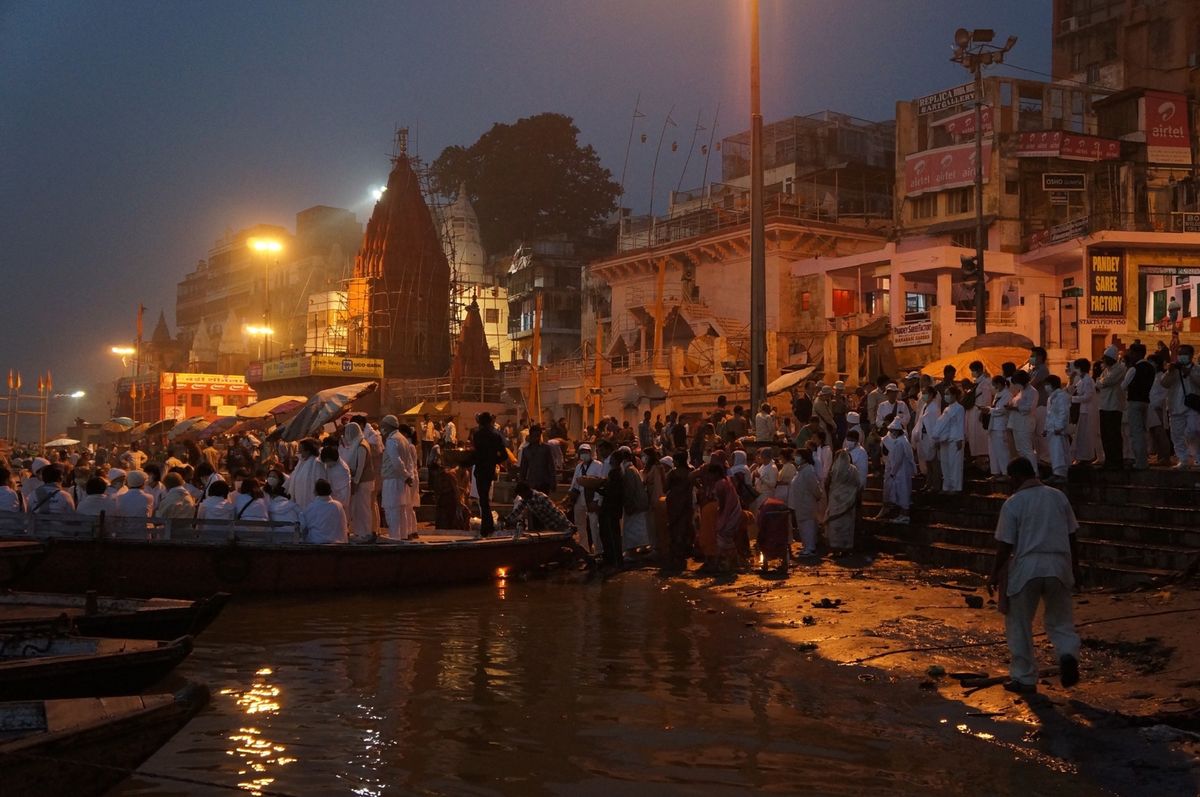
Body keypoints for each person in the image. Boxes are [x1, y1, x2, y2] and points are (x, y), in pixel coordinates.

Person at [989, 456, 1082, 695]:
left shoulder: (1013, 503)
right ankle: (1068, 653)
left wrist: (994, 574)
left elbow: (1005, 545)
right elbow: (1072, 535)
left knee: (1019, 623)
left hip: (1027, 566)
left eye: (1011, 479)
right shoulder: (1058, 497)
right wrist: (1075, 567)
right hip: (1059, 564)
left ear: (1017, 477)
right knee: (1061, 620)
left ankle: (1024, 677)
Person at [1160, 344, 1200, 469]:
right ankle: (1183, 459)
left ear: (1191, 355)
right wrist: (1170, 371)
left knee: (1193, 431)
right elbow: (1164, 383)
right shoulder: (1173, 370)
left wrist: (1189, 373)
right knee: (1176, 435)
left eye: (1185, 354)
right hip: (1175, 407)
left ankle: (1198, 457)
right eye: (1180, 353)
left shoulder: (1196, 369)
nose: (1182, 356)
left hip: (1192, 407)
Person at [470, 412, 508, 537]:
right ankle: (488, 525)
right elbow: (504, 455)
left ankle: (487, 527)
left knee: (483, 499)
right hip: (489, 470)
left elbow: (475, 454)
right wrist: (493, 461)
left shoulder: (477, 434)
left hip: (480, 469)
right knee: (484, 499)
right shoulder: (496, 435)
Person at [339, 421, 377, 540]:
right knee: (358, 508)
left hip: (363, 482)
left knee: (363, 508)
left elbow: (360, 467)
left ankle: (365, 533)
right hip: (360, 481)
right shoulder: (357, 444)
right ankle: (359, 532)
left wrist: (355, 482)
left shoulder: (361, 445)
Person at [1124, 343, 1155, 471]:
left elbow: (1123, 386)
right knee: (1142, 431)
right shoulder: (1151, 367)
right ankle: (1143, 460)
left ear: (1137, 354)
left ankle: (1140, 462)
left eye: (1131, 353)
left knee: (1136, 433)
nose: (1130, 355)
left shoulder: (1134, 369)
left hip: (1134, 401)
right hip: (1145, 401)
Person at [1096, 345, 1127, 469]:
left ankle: (1116, 460)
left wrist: (1100, 381)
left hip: (1114, 406)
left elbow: (1105, 382)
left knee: (1114, 434)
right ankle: (1108, 460)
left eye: (1105, 358)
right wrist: (1100, 381)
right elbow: (1099, 381)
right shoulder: (1106, 370)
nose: (1103, 360)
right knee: (1105, 435)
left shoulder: (1119, 369)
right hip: (1103, 405)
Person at [824, 449, 860, 556]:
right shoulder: (854, 470)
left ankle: (835, 549)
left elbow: (827, 484)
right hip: (849, 501)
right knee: (847, 526)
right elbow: (858, 483)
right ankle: (846, 548)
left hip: (835, 501)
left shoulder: (834, 470)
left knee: (835, 525)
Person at [787, 448, 822, 557]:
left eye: (797, 456)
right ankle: (806, 546)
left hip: (807, 503)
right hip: (800, 503)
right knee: (802, 526)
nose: (795, 458)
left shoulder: (808, 470)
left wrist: (818, 496)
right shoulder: (800, 470)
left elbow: (815, 488)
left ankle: (810, 548)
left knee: (808, 526)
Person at [663, 453, 695, 572]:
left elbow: (665, 488)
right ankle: (684, 552)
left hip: (674, 503)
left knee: (674, 528)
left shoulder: (673, 473)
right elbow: (697, 484)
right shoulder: (691, 471)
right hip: (687, 503)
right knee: (685, 526)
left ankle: (676, 556)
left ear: (677, 461)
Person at [879, 418, 915, 523]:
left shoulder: (900, 442)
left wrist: (892, 472)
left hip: (900, 471)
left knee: (903, 492)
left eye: (892, 431)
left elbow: (898, 460)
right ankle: (903, 514)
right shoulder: (903, 440)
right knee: (903, 491)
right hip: (902, 471)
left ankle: (905, 515)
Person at [933, 385, 966, 494]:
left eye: (948, 394)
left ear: (954, 395)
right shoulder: (946, 409)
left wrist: (960, 439)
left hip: (955, 439)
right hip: (944, 439)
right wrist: (938, 439)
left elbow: (961, 424)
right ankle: (946, 486)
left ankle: (956, 487)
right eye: (945, 394)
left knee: (955, 464)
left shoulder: (959, 408)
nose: (945, 396)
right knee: (945, 463)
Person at [505, 482, 573, 532]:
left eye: (521, 494)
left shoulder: (541, 497)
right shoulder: (526, 500)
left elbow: (555, 512)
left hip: (558, 524)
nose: (522, 497)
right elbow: (517, 511)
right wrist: (506, 520)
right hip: (548, 526)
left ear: (526, 491)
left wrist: (568, 525)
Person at [912, 383, 942, 491]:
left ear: (931, 395)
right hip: (924, 437)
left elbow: (935, 424)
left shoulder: (934, 408)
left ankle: (936, 485)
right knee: (928, 462)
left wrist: (936, 439)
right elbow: (921, 422)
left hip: (931, 437)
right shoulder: (925, 406)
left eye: (925, 393)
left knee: (934, 463)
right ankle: (928, 483)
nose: (923, 395)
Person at [1068, 358, 1097, 464]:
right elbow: (1072, 390)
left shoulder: (1088, 380)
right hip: (1082, 411)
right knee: (1081, 435)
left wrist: (1073, 399)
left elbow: (1087, 397)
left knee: (1086, 435)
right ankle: (1081, 457)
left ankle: (1087, 457)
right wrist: (1071, 380)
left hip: (1087, 411)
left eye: (1076, 368)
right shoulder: (1082, 380)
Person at [1043, 375, 1071, 485]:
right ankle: (1056, 473)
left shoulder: (1062, 397)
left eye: (1047, 384)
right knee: (1054, 453)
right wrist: (1046, 428)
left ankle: (1061, 474)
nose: (1046, 387)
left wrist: (1059, 427)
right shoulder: (1050, 398)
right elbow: (1049, 415)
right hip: (1051, 429)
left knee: (1060, 452)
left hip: (1058, 430)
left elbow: (1063, 413)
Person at [302, 479, 349, 543]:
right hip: (337, 543)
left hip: (316, 543)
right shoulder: (338, 506)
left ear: (315, 492)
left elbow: (303, 526)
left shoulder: (311, 507)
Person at [1007, 372, 1037, 472]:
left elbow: (1029, 408)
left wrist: (1015, 408)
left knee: (1027, 450)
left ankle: (1034, 472)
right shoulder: (1021, 391)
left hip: (1025, 424)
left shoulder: (1032, 391)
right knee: (1020, 450)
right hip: (1017, 424)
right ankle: (1025, 472)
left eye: (1016, 383)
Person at [517, 424, 557, 494]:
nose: (536, 438)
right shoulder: (526, 450)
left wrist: (553, 482)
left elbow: (551, 466)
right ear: (530, 436)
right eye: (534, 436)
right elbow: (523, 469)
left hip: (544, 483)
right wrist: (521, 483)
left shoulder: (546, 449)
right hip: (531, 483)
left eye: (538, 436)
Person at [284, 438, 321, 509]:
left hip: (310, 498)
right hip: (298, 498)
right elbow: (293, 476)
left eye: (301, 450)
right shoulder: (301, 462)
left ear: (308, 451)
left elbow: (319, 482)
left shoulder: (316, 463)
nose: (299, 452)